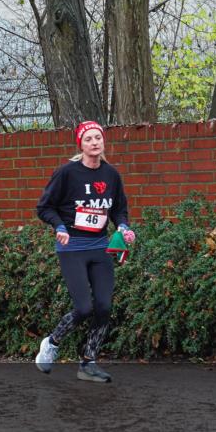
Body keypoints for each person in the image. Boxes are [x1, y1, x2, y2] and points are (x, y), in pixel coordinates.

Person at [34, 121, 135, 383]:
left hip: (100, 247)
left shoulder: (111, 174)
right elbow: (44, 207)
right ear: (80, 144)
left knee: (104, 306)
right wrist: (59, 226)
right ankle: (52, 343)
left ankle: (88, 362)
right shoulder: (67, 173)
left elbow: (119, 208)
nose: (94, 142)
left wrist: (123, 227)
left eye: (98, 138)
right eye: (88, 138)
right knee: (83, 307)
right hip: (72, 248)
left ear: (103, 142)